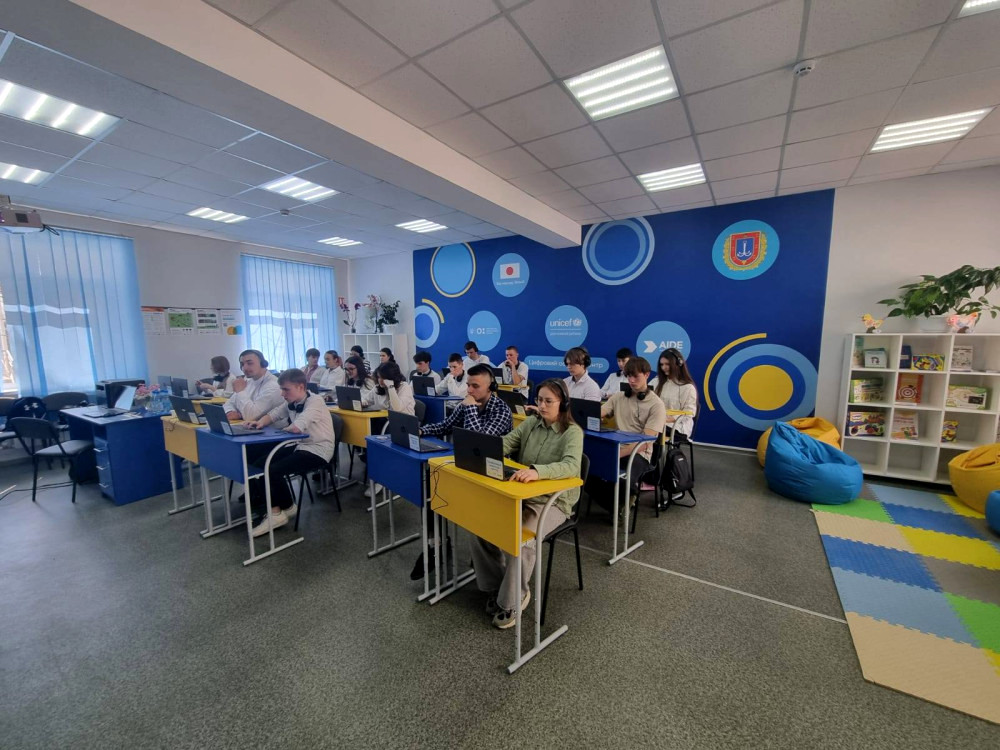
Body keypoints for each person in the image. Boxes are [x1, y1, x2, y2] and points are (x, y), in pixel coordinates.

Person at [470, 378, 583, 630]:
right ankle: (496, 586)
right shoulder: (531, 423)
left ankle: (513, 599)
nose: (542, 406)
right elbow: (508, 442)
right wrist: (483, 449)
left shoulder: (572, 432)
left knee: (521, 539)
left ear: (563, 403)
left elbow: (571, 466)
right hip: (521, 493)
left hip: (553, 502)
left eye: (548, 401)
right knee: (479, 527)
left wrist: (537, 471)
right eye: (539, 400)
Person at [414, 363, 513, 580]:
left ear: (491, 387)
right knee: (433, 488)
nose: (469, 390)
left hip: (492, 475)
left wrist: (469, 409)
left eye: (475, 386)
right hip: (468, 467)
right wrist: (421, 430)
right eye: (468, 385)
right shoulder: (468, 402)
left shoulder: (501, 410)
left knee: (473, 511)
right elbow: (446, 425)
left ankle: (487, 559)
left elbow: (480, 443)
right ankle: (436, 544)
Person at [243, 369, 335, 536]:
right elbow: (274, 414)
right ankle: (287, 506)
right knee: (259, 465)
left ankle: (276, 514)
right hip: (300, 445)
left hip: (318, 449)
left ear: (301, 387)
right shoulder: (292, 401)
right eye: (281, 389)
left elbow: (297, 427)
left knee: (271, 470)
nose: (282, 394)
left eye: (286, 389)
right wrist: (260, 423)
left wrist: (282, 430)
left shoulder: (316, 402)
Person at [595, 357, 666, 513]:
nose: (631, 381)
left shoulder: (657, 405)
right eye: (628, 376)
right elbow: (598, 413)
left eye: (636, 376)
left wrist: (617, 454)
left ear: (647, 375)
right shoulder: (618, 397)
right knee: (586, 469)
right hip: (616, 447)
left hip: (639, 453)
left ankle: (622, 503)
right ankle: (617, 505)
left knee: (625, 480)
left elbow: (645, 443)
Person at [650, 348, 698, 441]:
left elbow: (689, 413)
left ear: (679, 364)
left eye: (667, 364)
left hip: (677, 427)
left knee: (653, 428)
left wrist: (667, 419)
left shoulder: (688, 387)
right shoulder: (655, 382)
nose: (664, 368)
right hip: (657, 423)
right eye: (661, 364)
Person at [223, 349, 284, 422]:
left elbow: (250, 416)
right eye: (242, 364)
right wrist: (230, 411)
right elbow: (229, 403)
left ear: (263, 364)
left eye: (250, 363)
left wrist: (240, 392)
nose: (244, 368)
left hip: (270, 428)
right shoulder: (248, 380)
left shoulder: (273, 386)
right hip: (248, 425)